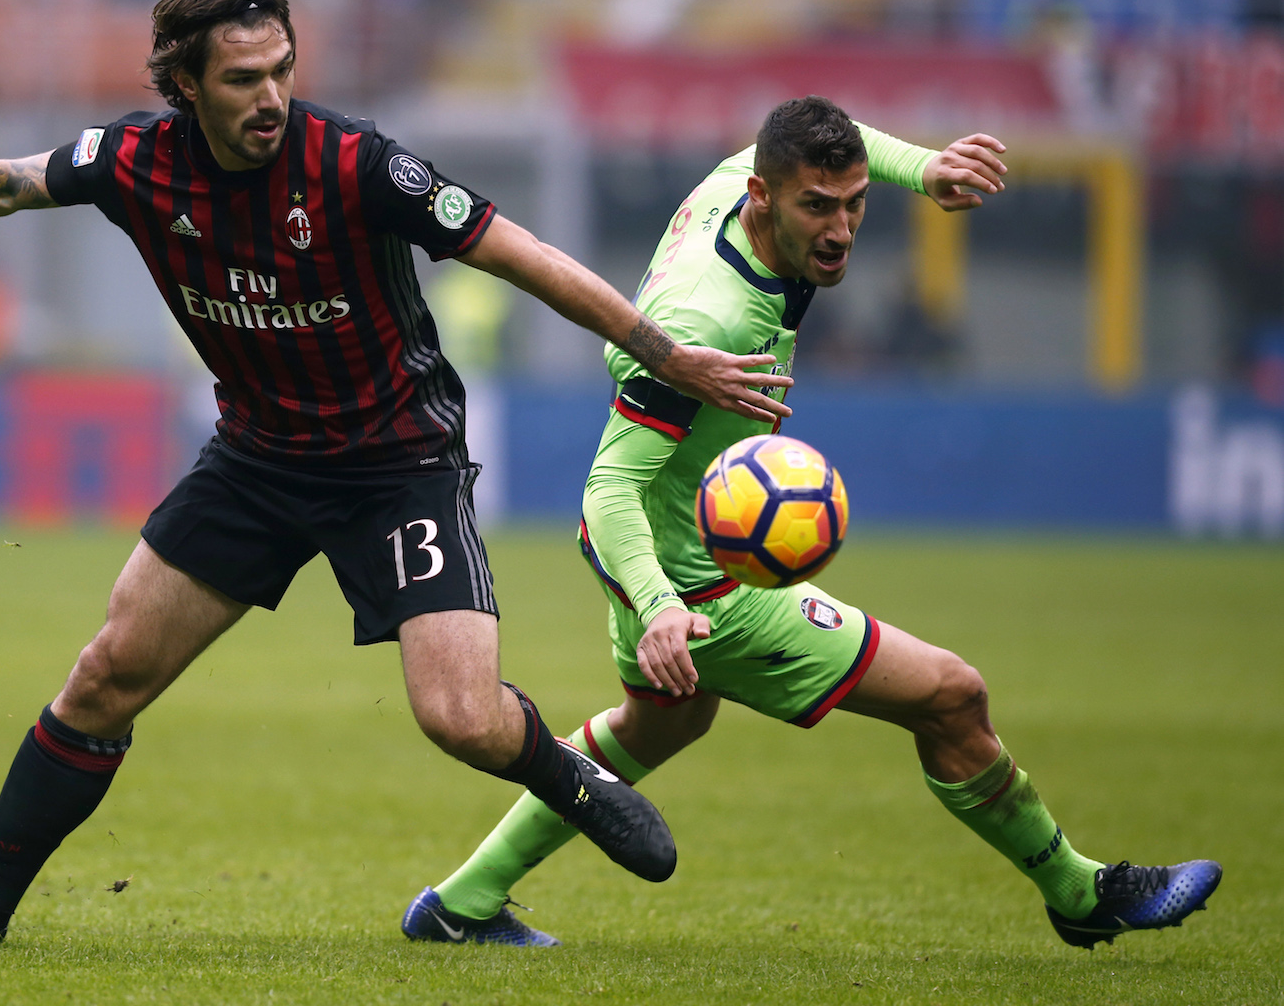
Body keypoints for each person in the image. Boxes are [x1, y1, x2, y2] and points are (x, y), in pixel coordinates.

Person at [0, 0, 793, 946]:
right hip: (258, 460)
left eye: (281, 69)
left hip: (396, 463)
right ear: (183, 83)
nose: (269, 95)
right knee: (105, 677)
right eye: (241, 77)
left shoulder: (359, 164)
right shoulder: (131, 162)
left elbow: (523, 255)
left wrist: (664, 353)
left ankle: (565, 777)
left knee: (459, 718)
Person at [401, 96, 1223, 950]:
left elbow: (845, 139)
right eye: (816, 208)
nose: (840, 229)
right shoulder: (702, 321)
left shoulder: (747, 175)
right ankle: (1081, 893)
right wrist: (662, 608)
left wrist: (923, 168)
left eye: (854, 204)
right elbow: (607, 489)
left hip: (674, 547)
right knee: (950, 696)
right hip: (700, 585)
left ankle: (458, 905)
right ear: (762, 197)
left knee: (663, 724)